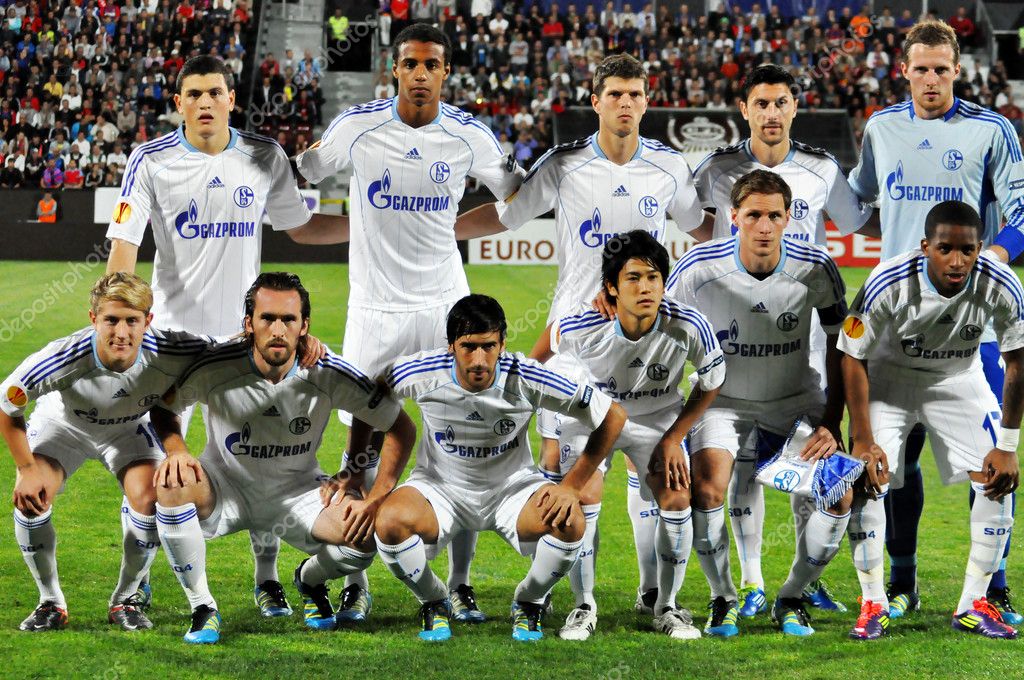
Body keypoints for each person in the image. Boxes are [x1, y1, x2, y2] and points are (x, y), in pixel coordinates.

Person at [454, 54, 703, 619]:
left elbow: (700, 225)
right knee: (577, 483)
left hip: (646, 351)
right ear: (595, 101)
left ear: (647, 99)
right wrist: (441, 229)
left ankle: (656, 599)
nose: (625, 103)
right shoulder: (564, 165)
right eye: (614, 93)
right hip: (575, 354)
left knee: (660, 480)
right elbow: (507, 216)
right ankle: (582, 604)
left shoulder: (668, 167)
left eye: (635, 93)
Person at [105, 55, 348, 620]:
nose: (205, 102)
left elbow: (302, 227)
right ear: (179, 103)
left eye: (215, 91)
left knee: (265, 458)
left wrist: (372, 225)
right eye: (193, 94)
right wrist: (123, 323)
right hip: (168, 345)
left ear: (231, 99)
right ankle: (133, 591)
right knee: (153, 469)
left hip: (246, 343)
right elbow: (124, 249)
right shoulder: (151, 160)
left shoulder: (263, 156)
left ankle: (266, 580)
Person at [296, 23, 523, 623]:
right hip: (373, 307)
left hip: (445, 304)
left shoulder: (470, 135)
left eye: (433, 64)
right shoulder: (358, 126)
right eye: (410, 63)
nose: (421, 73)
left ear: (447, 72)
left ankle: (463, 582)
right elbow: (306, 174)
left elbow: (517, 201)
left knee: (466, 438)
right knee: (362, 447)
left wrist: (456, 228)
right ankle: (354, 579)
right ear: (393, 70)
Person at [848, 20, 1024, 622]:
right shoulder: (881, 127)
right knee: (895, 469)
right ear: (905, 69)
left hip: (971, 329)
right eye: (920, 68)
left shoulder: (991, 129)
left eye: (941, 69)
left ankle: (992, 589)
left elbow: (1022, 209)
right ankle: (902, 583)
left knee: (994, 460)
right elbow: (859, 199)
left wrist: (989, 260)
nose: (931, 79)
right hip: (896, 322)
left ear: (958, 70)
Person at [691, 63, 872, 616]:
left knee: (808, 460)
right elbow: (695, 224)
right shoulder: (717, 169)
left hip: (803, 333)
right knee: (741, 463)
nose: (772, 113)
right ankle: (749, 583)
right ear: (744, 109)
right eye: (761, 103)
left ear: (795, 108)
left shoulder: (820, 169)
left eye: (782, 103)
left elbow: (856, 220)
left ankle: (805, 581)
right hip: (737, 336)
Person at [148, 273, 416, 644]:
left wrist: (372, 493)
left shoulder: (328, 371)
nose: (278, 329)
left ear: (305, 326)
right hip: (226, 488)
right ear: (248, 324)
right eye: (267, 318)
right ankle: (202, 607)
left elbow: (400, 427)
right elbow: (164, 408)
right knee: (170, 480)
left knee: (365, 534)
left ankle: (309, 579)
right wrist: (176, 450)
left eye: (288, 320)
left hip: (298, 492)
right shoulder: (215, 364)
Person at [371, 294, 627, 642]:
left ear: (503, 344)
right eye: (468, 346)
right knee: (388, 522)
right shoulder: (421, 371)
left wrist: (571, 486)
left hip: (512, 490)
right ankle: (433, 599)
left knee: (570, 521)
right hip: (439, 488)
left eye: (489, 346)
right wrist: (363, 472)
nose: (479, 359)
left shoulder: (526, 375)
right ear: (451, 346)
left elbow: (612, 415)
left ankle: (529, 600)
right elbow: (370, 395)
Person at [668, 170, 852, 636]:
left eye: (774, 215)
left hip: (794, 400)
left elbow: (842, 345)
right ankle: (724, 597)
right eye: (754, 215)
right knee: (707, 491)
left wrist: (832, 418)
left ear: (789, 217)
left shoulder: (816, 267)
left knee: (840, 493)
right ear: (734, 217)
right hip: (721, 401)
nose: (765, 226)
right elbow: (660, 332)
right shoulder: (698, 268)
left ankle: (791, 596)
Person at [840, 201, 1023, 640]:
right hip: (889, 378)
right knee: (869, 479)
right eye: (945, 249)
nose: (957, 261)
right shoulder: (886, 280)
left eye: (967, 250)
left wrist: (1010, 444)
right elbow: (850, 356)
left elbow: (1017, 361)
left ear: (980, 248)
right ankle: (872, 605)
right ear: (926, 247)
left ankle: (974, 603)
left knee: (997, 478)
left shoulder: (1001, 283)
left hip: (958, 378)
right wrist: (863, 438)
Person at [0, 273, 218, 632]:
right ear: (93, 320)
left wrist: (303, 341)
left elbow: (231, 348)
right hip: (64, 426)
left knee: (150, 499)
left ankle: (125, 598)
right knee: (32, 497)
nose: (121, 332)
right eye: (111, 320)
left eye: (132, 320)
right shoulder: (62, 356)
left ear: (148, 320)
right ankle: (50, 602)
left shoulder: (171, 349)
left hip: (127, 429)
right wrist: (26, 468)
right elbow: (8, 405)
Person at [550, 232, 725, 640]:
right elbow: (550, 359)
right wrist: (549, 437)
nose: (645, 287)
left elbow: (712, 381)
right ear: (610, 288)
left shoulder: (688, 324)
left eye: (653, 277)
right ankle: (582, 606)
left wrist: (673, 437)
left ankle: (666, 606)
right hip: (594, 416)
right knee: (582, 496)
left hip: (658, 417)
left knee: (678, 496)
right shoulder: (580, 325)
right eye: (632, 278)